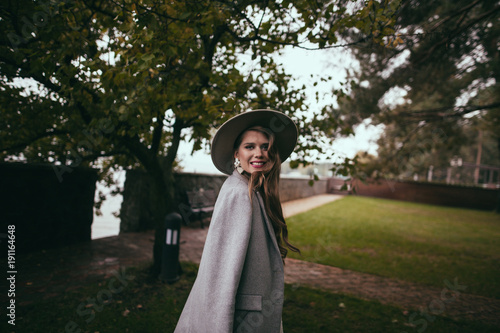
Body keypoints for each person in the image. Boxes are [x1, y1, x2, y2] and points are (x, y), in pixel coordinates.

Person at [174, 109, 300, 333]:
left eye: (265, 146)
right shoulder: (239, 194)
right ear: (236, 153)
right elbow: (221, 271)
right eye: (249, 146)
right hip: (241, 320)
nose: (259, 153)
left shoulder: (253, 190)